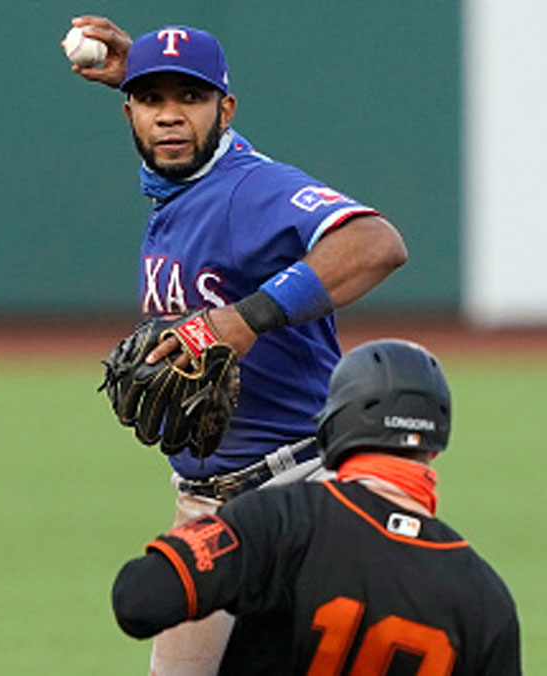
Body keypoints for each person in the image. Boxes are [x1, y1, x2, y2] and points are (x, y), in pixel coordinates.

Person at [67, 16, 409, 673]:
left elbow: (376, 244)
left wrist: (244, 319)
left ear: (225, 111)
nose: (170, 117)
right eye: (151, 99)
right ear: (127, 111)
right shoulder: (185, 191)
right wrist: (138, 70)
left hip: (297, 495)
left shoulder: (248, 190)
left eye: (190, 99)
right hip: (205, 507)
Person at [112, 339, 522, 675]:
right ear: (434, 448)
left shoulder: (280, 520)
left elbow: (139, 600)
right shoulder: (485, 597)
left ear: (333, 423)